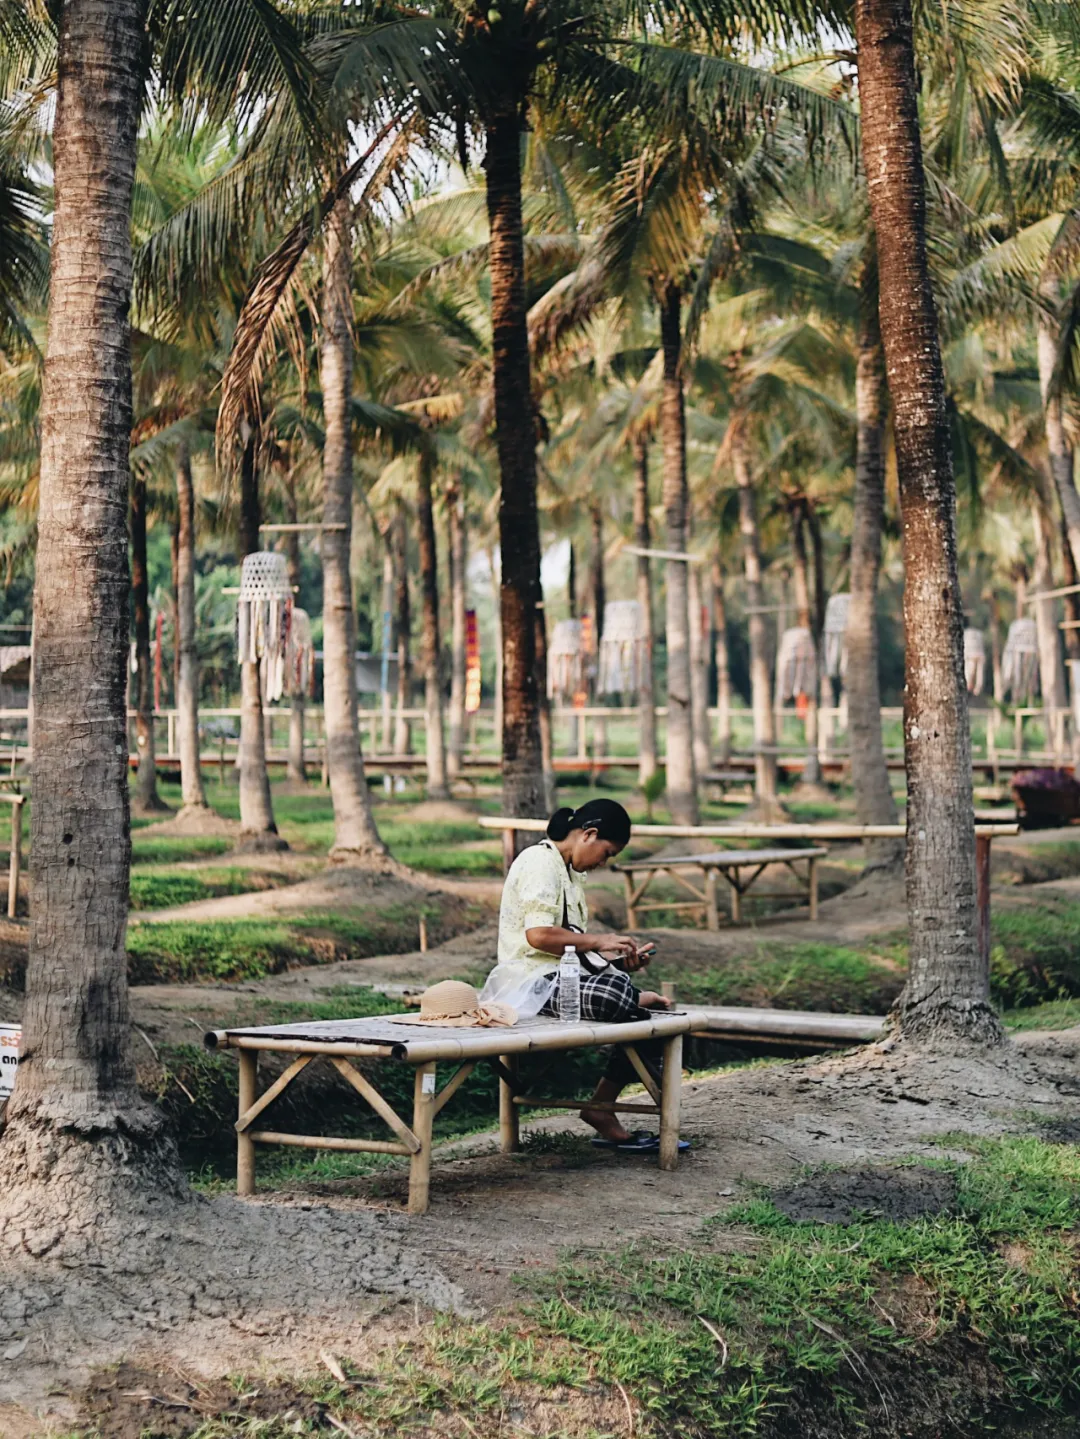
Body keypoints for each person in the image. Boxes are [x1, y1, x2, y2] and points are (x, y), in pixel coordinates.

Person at [480, 798, 676, 1151]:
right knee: (618, 996)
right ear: (589, 834)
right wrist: (601, 940)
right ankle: (632, 998)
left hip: (561, 980)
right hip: (528, 984)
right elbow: (538, 936)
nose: (603, 862)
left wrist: (615, 962)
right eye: (607, 853)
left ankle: (601, 1106)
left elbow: (571, 952)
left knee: (645, 1011)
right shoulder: (539, 862)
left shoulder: (569, 872)